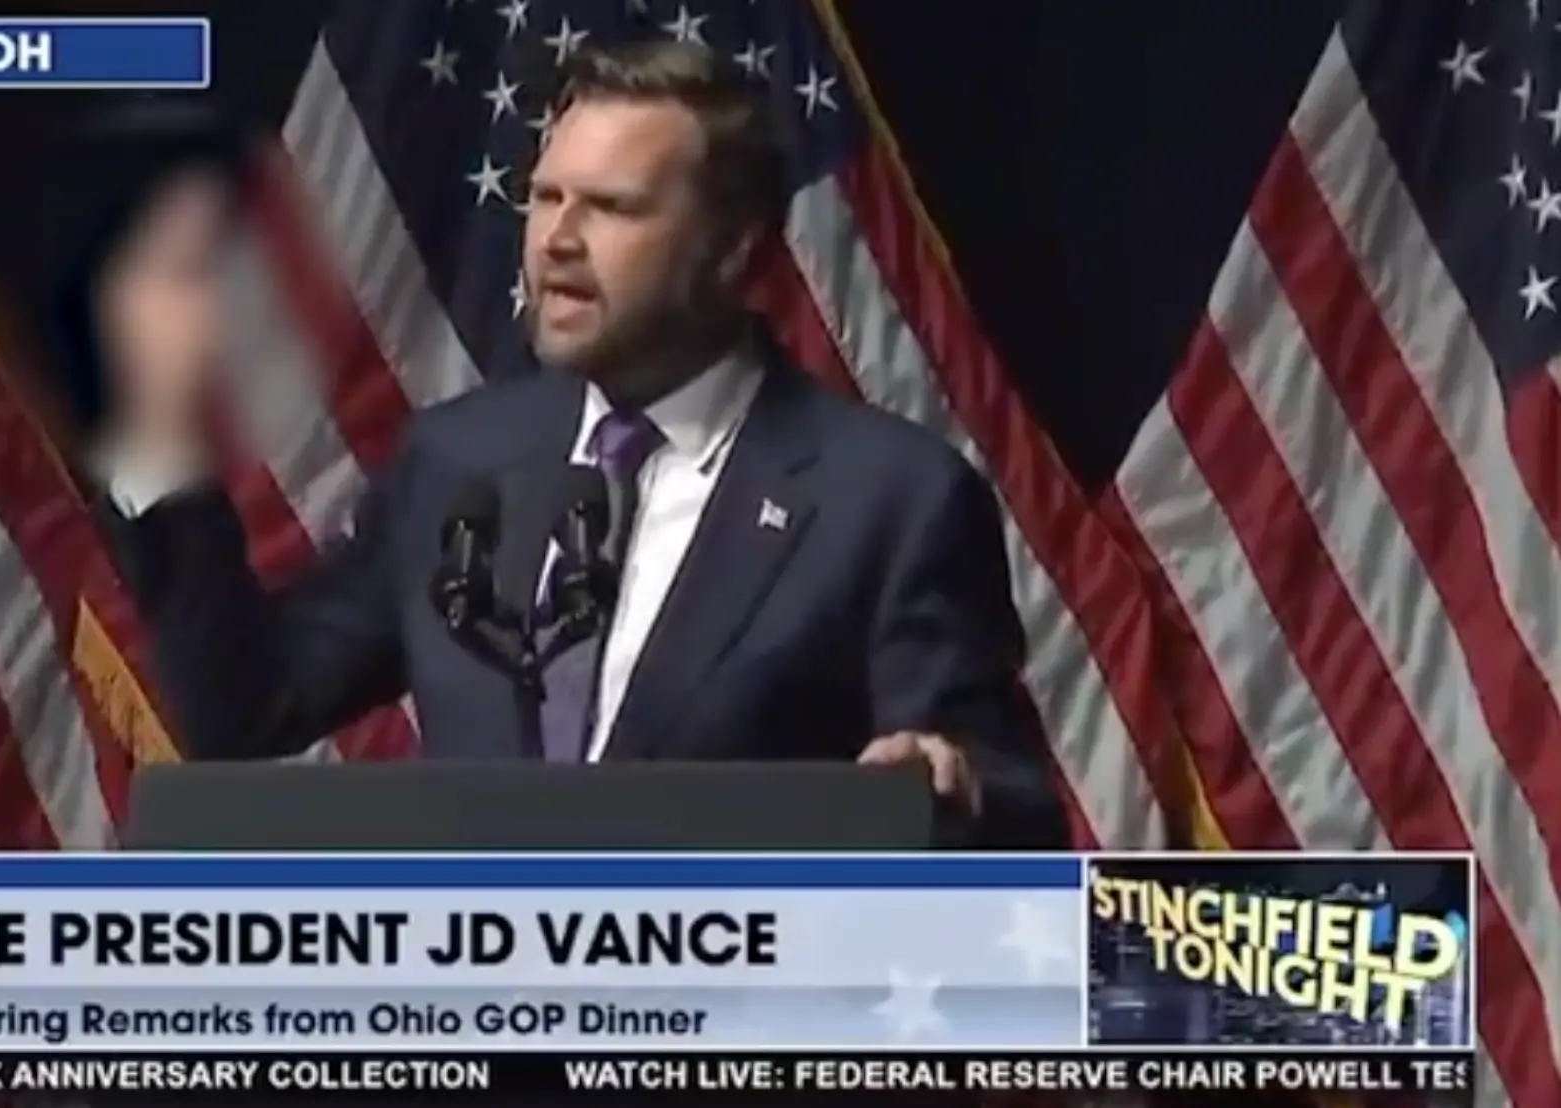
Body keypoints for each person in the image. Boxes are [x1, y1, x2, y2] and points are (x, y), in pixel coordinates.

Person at [91, 46, 1070, 848]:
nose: (555, 239)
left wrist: (941, 790)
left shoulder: (887, 498)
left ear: (732, 250)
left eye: (610, 207)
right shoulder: (456, 463)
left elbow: (1008, 805)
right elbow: (246, 704)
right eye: (544, 196)